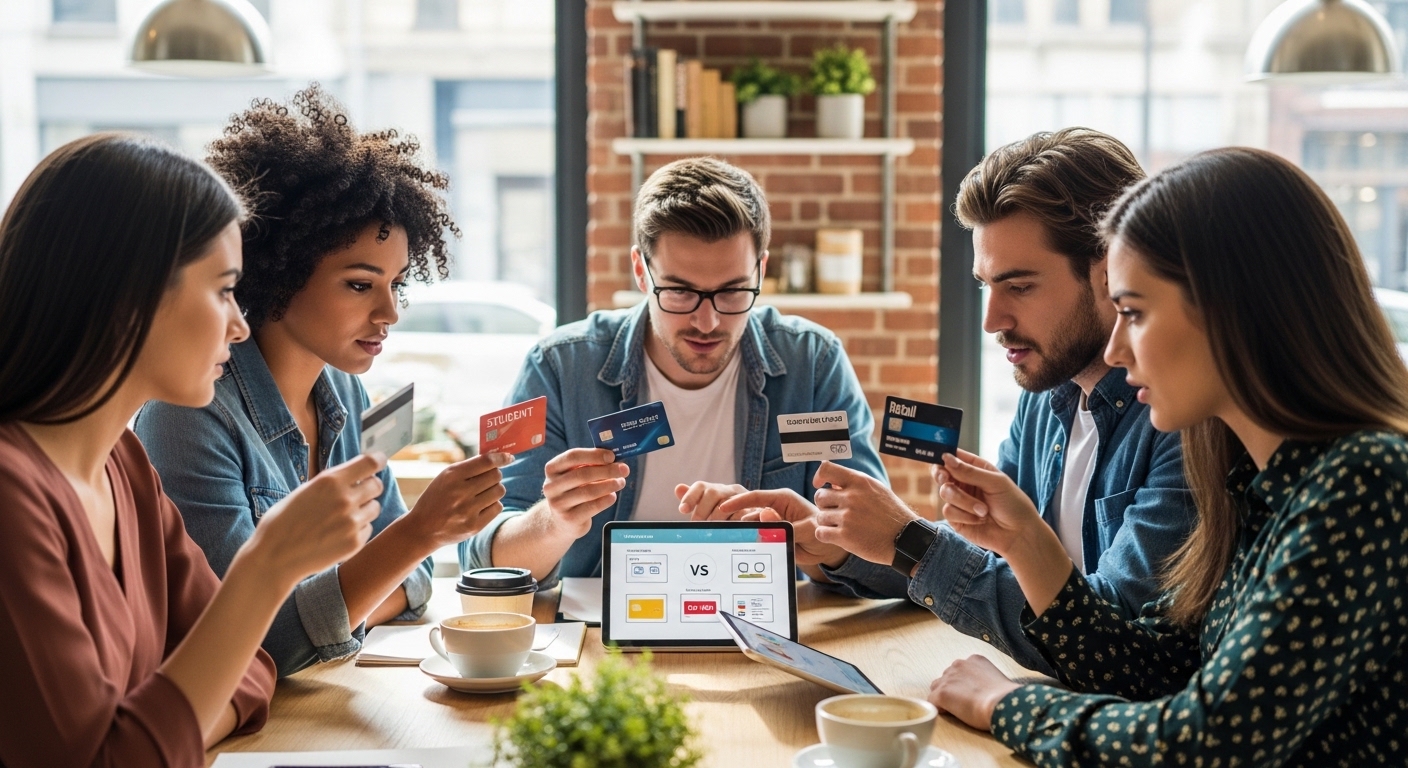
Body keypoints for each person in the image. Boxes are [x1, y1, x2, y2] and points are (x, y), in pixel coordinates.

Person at [928, 147, 1408, 765]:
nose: (1118, 351)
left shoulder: (1363, 481)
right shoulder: (1261, 481)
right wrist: (1024, 540)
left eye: (1133, 312)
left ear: (1231, 309)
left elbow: (1206, 741)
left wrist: (1005, 704)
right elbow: (1163, 669)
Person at [716, 129, 1195, 674]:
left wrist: (908, 539)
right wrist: (847, 546)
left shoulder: (1181, 419)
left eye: (1020, 287)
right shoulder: (1047, 395)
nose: (992, 321)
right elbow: (990, 565)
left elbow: (1108, 640)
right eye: (985, 286)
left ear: (1108, 268)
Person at [0, 134, 385, 766]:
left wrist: (155, 731)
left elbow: (251, 669)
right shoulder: (13, 498)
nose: (239, 324)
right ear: (127, 296)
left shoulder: (124, 466)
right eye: (223, 290)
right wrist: (268, 564)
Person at [134, 85, 509, 678]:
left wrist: (335, 603)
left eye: (396, 283)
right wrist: (417, 533)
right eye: (360, 285)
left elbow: (410, 589)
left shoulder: (347, 394)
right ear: (278, 270)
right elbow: (256, 647)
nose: (390, 313)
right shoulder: (188, 414)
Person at [460, 156, 886, 580]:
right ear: (641, 272)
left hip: (762, 626)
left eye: (734, 291)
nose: (708, 322)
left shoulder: (811, 365)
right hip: (601, 638)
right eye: (680, 292)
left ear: (762, 269)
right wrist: (553, 524)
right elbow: (482, 557)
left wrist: (817, 544)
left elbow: (885, 555)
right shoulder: (560, 367)